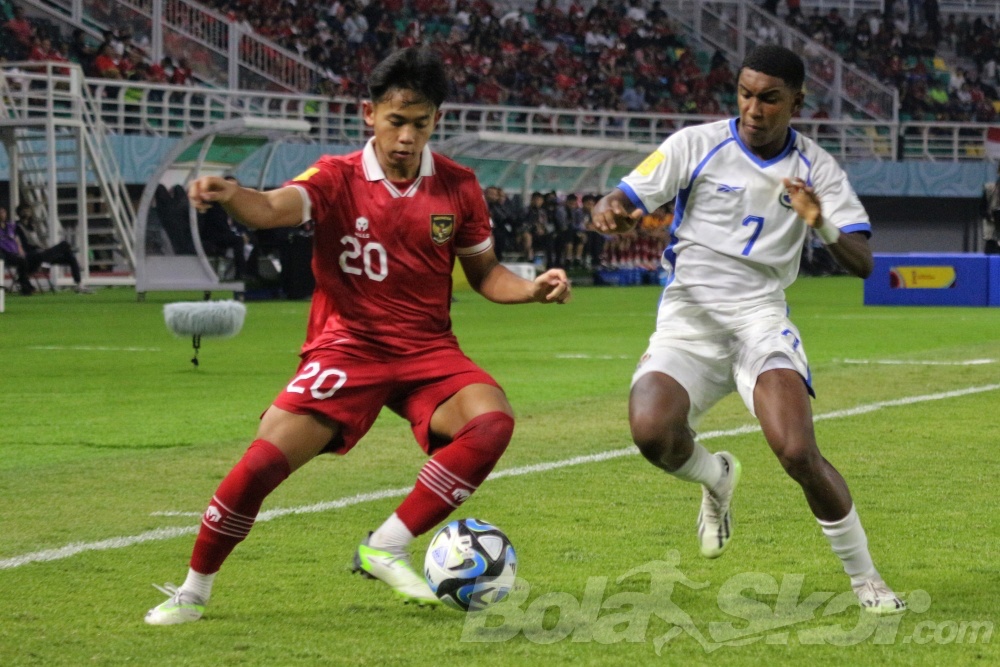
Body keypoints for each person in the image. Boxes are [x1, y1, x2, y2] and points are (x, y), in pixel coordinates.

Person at [144, 46, 571, 625]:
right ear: (369, 114)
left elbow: (486, 274)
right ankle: (193, 591)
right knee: (262, 464)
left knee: (491, 421)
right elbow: (273, 207)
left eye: (419, 124)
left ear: (436, 122)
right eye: (396, 122)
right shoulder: (336, 177)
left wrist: (531, 288)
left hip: (427, 352)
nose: (405, 137)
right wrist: (231, 195)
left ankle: (387, 544)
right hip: (347, 348)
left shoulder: (459, 186)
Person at [590, 44, 905, 615]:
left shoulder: (818, 169)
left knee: (797, 451)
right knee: (651, 432)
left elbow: (862, 262)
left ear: (796, 102)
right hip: (687, 318)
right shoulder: (695, 144)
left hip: (759, 318)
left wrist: (819, 220)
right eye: (745, 94)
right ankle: (717, 478)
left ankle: (867, 580)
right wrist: (608, 208)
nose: (753, 108)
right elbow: (624, 196)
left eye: (769, 98)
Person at [13, 203, 92, 293]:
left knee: (70, 257)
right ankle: (47, 264)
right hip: (31, 255)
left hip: (40, 253)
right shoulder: (16, 226)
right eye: (24, 210)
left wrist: (43, 248)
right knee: (65, 244)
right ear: (19, 213)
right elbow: (17, 242)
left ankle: (79, 284)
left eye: (28, 210)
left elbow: (37, 242)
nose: (26, 212)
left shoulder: (32, 227)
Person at [0, 205, 34, 295]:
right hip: (4, 254)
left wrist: (20, 249)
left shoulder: (10, 226)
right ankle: (25, 287)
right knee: (22, 262)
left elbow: (16, 239)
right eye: (1, 212)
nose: (2, 214)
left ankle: (25, 283)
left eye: (3, 212)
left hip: (14, 253)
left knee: (26, 260)